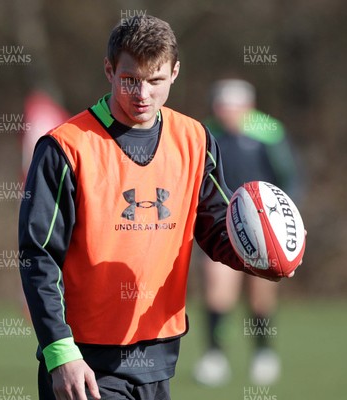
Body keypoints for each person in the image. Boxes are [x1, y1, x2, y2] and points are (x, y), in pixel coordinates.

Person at [18, 17, 293, 400]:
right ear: (109, 70)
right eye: (130, 79)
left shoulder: (195, 139)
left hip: (159, 354)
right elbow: (39, 255)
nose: (142, 93)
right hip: (85, 360)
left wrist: (265, 252)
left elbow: (217, 228)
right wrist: (59, 351)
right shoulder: (65, 147)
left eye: (156, 80)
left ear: (175, 72)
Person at [192, 79, 303, 387]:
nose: (226, 112)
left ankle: (263, 355)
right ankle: (214, 357)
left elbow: (290, 178)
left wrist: (285, 223)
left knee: (260, 296)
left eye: (233, 106)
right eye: (221, 106)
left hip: (263, 232)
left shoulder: (269, 132)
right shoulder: (206, 134)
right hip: (220, 226)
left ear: (248, 107)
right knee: (217, 291)